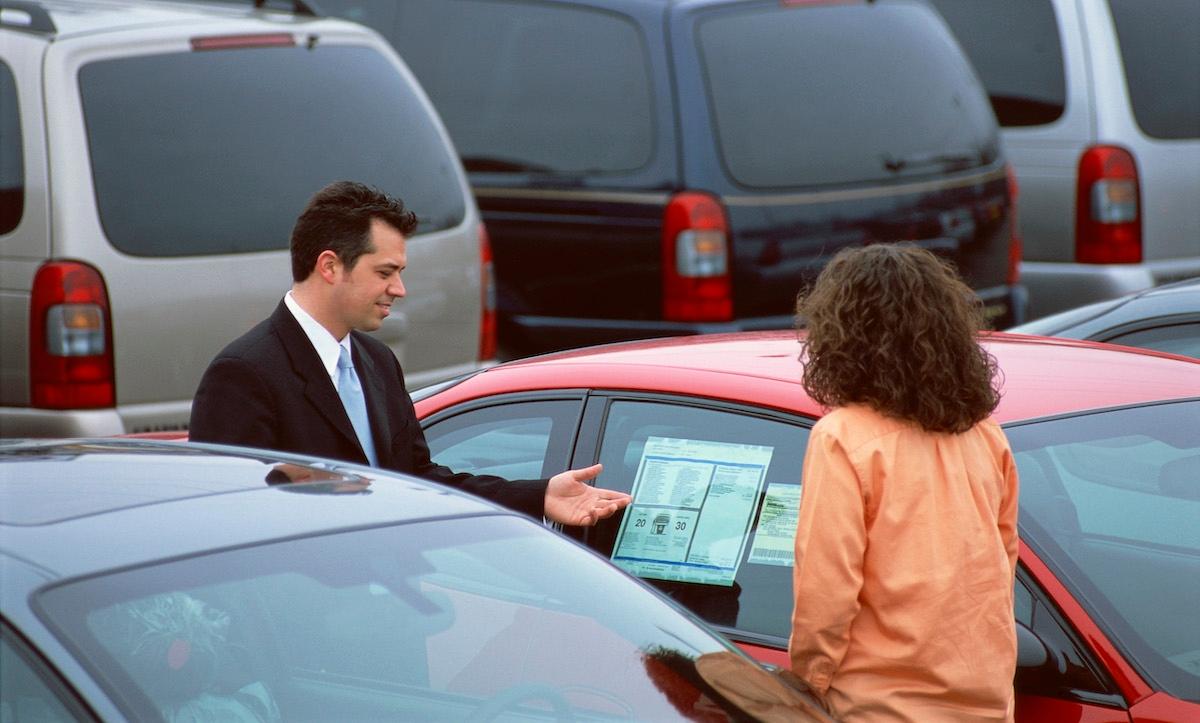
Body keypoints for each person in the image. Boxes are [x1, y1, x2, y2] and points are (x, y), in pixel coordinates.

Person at [190, 181, 630, 526]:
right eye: (385, 272)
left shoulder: (377, 362)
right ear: (329, 266)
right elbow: (229, 522)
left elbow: (416, 481)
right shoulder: (244, 375)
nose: (399, 290)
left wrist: (539, 495)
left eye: (399, 272)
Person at [788, 245, 1019, 721]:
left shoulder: (842, 438)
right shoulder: (984, 433)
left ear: (842, 336)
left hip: (881, 708)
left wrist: (805, 687)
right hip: (987, 702)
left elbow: (825, 595)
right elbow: (1001, 564)